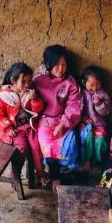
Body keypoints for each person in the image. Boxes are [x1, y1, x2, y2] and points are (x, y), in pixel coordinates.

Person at [32, 45, 83, 189]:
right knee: (47, 145)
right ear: (48, 64)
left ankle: (66, 174)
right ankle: (55, 177)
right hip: (45, 121)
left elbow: (74, 106)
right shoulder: (38, 81)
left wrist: (63, 124)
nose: (61, 68)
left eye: (64, 64)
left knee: (70, 143)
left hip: (64, 121)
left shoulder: (70, 84)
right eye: (57, 64)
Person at [0, 62, 44, 181]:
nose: (27, 84)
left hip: (30, 127)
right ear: (13, 80)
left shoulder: (29, 93)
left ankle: (41, 174)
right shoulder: (3, 96)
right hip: (15, 130)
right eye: (23, 81)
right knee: (22, 148)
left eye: (29, 81)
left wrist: (35, 100)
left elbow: (37, 109)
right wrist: (7, 128)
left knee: (37, 147)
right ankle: (15, 175)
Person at [79, 65, 112, 169]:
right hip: (86, 125)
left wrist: (99, 104)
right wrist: (83, 119)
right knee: (88, 138)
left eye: (97, 84)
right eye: (92, 84)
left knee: (101, 140)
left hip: (99, 125)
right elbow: (77, 109)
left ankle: (98, 160)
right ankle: (88, 160)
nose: (94, 87)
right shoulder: (81, 94)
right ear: (84, 82)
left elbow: (107, 112)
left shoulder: (104, 95)